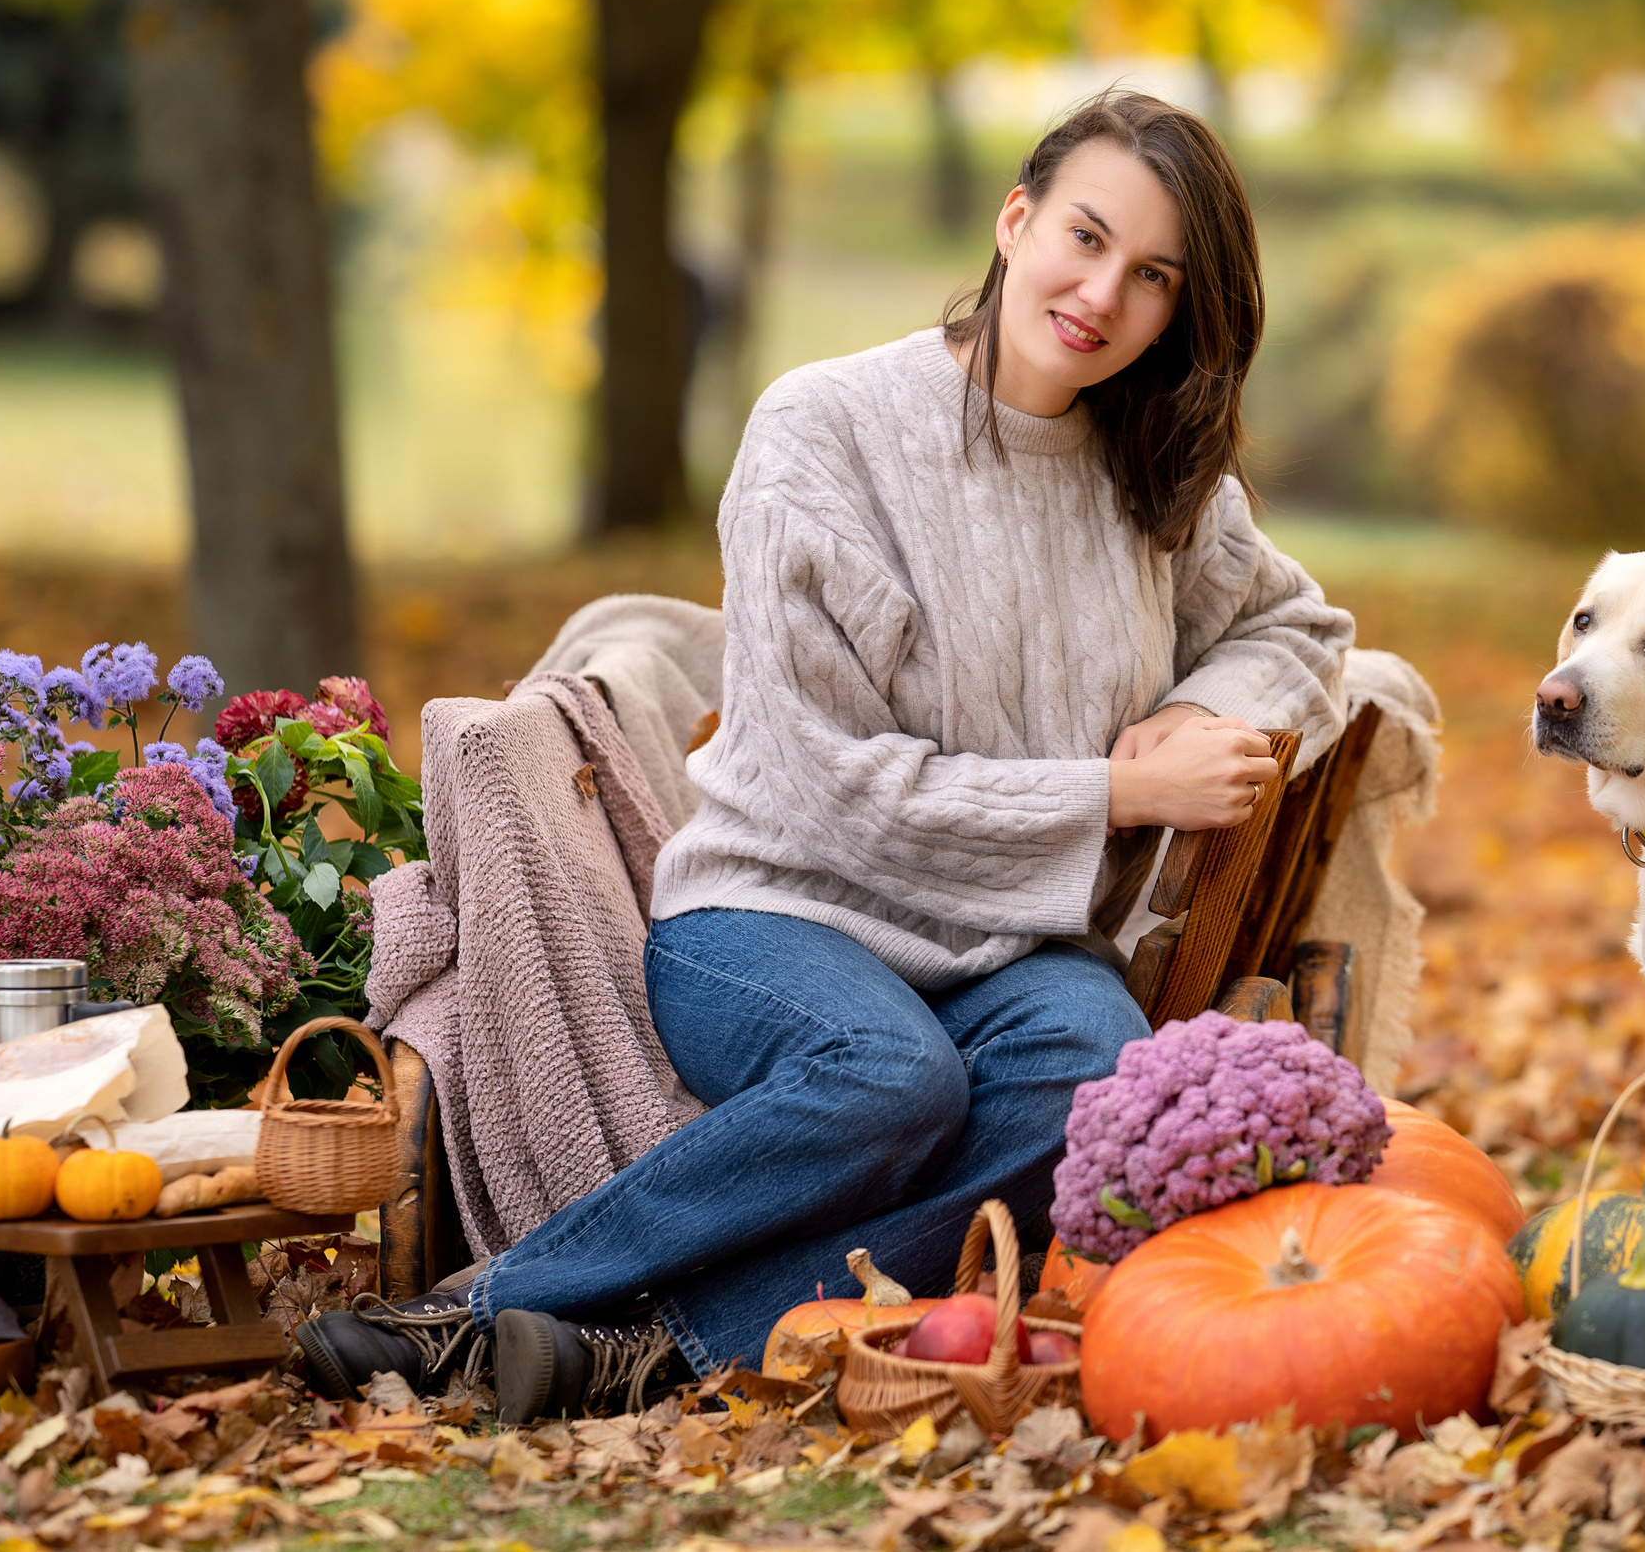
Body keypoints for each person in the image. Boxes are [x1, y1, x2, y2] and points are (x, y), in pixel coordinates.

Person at [297, 90, 1354, 1420]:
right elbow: (836, 792)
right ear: (1015, 219)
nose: (1101, 296)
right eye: (1084, 238)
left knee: (1094, 1090)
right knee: (890, 1076)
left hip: (1010, 948)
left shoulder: (1153, 466)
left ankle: (655, 1351)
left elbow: (1295, 625)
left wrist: (1211, 709)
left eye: (1153, 279)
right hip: (773, 912)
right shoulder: (828, 431)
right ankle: (482, 1314)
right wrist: (1119, 791)